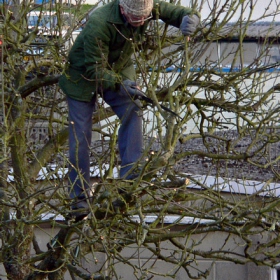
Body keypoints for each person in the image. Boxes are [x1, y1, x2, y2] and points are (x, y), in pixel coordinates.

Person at [59, 0, 200, 216]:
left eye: (145, 17)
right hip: (84, 75)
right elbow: (95, 69)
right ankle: (79, 198)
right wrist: (121, 85)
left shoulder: (144, 7)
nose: (141, 22)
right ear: (123, 9)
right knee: (80, 137)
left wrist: (189, 18)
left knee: (133, 109)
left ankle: (130, 179)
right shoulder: (99, 22)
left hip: (118, 68)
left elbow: (176, 12)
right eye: (136, 19)